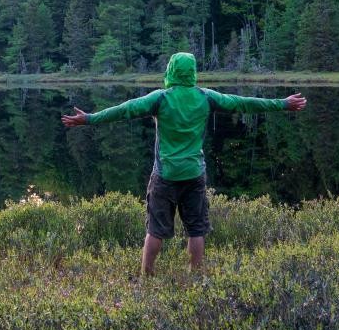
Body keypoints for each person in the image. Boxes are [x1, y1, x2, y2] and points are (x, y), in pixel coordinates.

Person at [62, 52, 306, 275]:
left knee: (156, 229)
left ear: (170, 71)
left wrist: (90, 119)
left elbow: (125, 109)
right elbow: (243, 103)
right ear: (193, 72)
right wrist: (282, 104)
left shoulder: (160, 98)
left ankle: (147, 275)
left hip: (165, 175)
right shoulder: (206, 97)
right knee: (196, 229)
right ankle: (195, 274)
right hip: (194, 174)